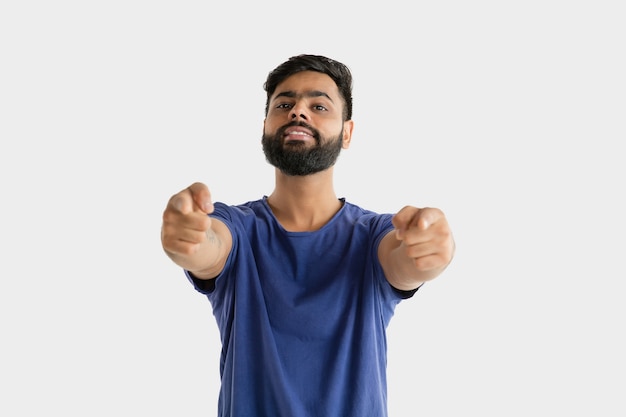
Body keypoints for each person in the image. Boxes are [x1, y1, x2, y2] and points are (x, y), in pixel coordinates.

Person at [160, 54, 455, 417]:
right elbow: (210, 245)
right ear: (266, 125)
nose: (298, 111)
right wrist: (189, 237)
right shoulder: (234, 225)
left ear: (347, 132)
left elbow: (402, 260)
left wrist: (427, 251)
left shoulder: (374, 235)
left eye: (319, 105)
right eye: (284, 103)